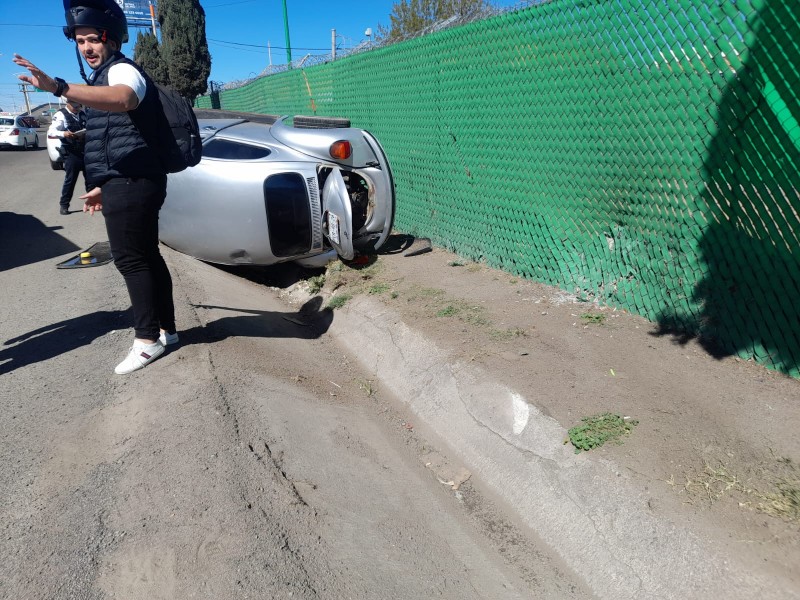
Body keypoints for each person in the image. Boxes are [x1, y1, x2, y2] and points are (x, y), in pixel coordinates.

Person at [14, 0, 179, 375]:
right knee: (147, 256)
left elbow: (125, 98)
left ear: (112, 40)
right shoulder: (101, 77)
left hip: (134, 180)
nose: (87, 47)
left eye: (94, 39)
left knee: (131, 260)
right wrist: (103, 184)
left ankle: (147, 340)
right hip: (129, 178)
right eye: (80, 41)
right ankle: (166, 331)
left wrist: (58, 86)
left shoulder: (120, 69)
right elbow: (112, 139)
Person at [48, 99, 88, 215]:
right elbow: (51, 132)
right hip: (71, 153)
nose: (77, 108)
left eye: (79, 106)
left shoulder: (82, 114)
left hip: (85, 151)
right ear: (68, 104)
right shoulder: (61, 115)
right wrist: (64, 133)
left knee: (91, 179)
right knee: (70, 180)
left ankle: (92, 202)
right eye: (75, 106)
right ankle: (64, 205)